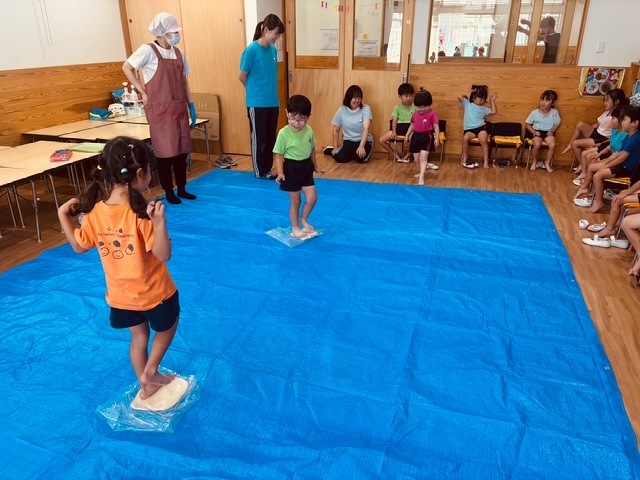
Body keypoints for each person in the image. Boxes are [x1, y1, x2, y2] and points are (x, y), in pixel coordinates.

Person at [57, 137, 180, 402]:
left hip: (121, 298)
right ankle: (151, 371)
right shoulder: (142, 213)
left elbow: (79, 246)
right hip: (155, 294)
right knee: (168, 327)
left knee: (139, 337)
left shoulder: (94, 214)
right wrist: (160, 224)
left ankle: (146, 386)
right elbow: (164, 255)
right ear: (141, 173)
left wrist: (62, 215)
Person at [123, 12, 197, 205]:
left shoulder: (179, 53)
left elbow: (184, 82)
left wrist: (191, 104)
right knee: (166, 154)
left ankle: (182, 188)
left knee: (181, 153)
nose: (176, 35)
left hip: (179, 110)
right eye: (173, 32)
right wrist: (142, 91)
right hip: (161, 112)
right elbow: (127, 67)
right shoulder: (148, 51)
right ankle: (169, 191)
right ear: (163, 32)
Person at [239, 14, 285, 180]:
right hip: (257, 103)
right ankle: (260, 171)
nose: (277, 38)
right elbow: (242, 76)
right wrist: (254, 90)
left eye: (279, 35)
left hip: (273, 102)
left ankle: (268, 169)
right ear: (266, 30)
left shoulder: (273, 50)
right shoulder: (251, 51)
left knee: (271, 137)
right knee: (260, 139)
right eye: (275, 34)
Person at [274, 95, 325, 239]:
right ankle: (295, 227)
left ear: (309, 116)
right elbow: (278, 155)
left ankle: (304, 219)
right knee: (296, 202)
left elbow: (312, 150)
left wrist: (316, 167)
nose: (296, 123)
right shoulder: (283, 133)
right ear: (287, 113)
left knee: (312, 198)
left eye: (301, 119)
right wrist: (280, 173)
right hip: (291, 169)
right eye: (292, 118)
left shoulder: (309, 131)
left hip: (306, 168)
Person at [574, 106, 640, 214]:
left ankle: (598, 202)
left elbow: (621, 158)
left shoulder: (635, 139)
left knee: (598, 175)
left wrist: (606, 165)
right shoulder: (629, 137)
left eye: (624, 120)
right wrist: (606, 162)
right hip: (622, 165)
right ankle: (589, 192)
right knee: (594, 167)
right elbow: (618, 154)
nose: (622, 122)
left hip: (627, 170)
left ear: (635, 123)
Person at [561, 89, 628, 165]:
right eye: (604, 101)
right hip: (597, 132)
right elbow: (597, 124)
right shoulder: (607, 112)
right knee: (580, 124)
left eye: (607, 101)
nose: (604, 103)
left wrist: (602, 143)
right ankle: (570, 145)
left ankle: (582, 165)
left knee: (575, 143)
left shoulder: (617, 118)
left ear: (616, 101)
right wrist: (588, 132)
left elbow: (615, 134)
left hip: (602, 138)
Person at [574, 106, 628, 186]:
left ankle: (586, 185)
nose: (611, 120)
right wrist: (600, 154)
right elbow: (609, 147)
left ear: (620, 121)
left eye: (613, 118)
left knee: (593, 165)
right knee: (592, 158)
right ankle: (587, 183)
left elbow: (619, 155)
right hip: (611, 157)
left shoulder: (626, 135)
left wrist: (606, 163)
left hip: (617, 163)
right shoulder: (614, 131)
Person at [323, 85, 374, 163]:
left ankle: (353, 153)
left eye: (359, 98)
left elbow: (366, 128)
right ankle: (331, 150)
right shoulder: (341, 111)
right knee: (340, 158)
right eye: (355, 98)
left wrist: (361, 147)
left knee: (361, 159)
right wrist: (335, 147)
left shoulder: (366, 109)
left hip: (364, 140)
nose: (357, 101)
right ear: (349, 98)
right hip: (349, 140)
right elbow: (336, 130)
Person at [404, 89, 440, 186]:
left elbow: (436, 126)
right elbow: (412, 125)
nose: (422, 109)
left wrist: (437, 137)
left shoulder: (433, 113)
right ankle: (421, 171)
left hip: (427, 136)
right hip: (416, 136)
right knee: (416, 159)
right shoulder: (415, 114)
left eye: (425, 106)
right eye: (419, 106)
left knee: (423, 157)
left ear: (430, 104)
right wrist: (407, 135)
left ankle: (422, 176)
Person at [457, 85, 498, 169]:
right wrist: (471, 93)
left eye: (484, 98)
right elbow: (459, 96)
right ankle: (465, 156)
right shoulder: (467, 104)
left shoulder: (484, 108)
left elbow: (493, 112)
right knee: (465, 138)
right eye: (480, 98)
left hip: (481, 128)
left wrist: (492, 101)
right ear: (474, 97)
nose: (482, 100)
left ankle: (486, 161)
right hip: (469, 130)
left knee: (483, 140)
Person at [378, 83, 416, 162]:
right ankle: (395, 154)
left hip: (410, 129)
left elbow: (416, 122)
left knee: (414, 138)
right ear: (400, 96)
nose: (408, 98)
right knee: (381, 140)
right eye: (406, 96)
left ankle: (408, 155)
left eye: (410, 95)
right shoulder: (397, 107)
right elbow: (394, 120)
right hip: (398, 128)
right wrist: (394, 132)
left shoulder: (415, 108)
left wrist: (410, 132)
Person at [525, 90, 561, 173]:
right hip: (537, 132)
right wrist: (534, 132)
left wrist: (552, 131)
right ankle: (534, 162)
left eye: (547, 101)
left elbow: (557, 123)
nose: (543, 103)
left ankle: (547, 163)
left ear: (553, 103)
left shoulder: (554, 112)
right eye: (542, 100)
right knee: (537, 144)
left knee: (552, 145)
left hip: (548, 132)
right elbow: (528, 125)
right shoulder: (534, 113)